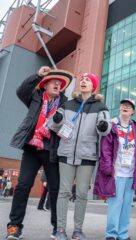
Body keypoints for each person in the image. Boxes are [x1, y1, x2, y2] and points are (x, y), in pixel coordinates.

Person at [5, 67, 72, 240]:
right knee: (22, 185)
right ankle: (14, 226)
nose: (58, 84)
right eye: (54, 82)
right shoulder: (35, 97)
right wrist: (37, 75)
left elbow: (69, 127)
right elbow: (21, 91)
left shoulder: (65, 104)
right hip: (32, 147)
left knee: (56, 189)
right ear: (45, 85)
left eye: (60, 83)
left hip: (52, 149)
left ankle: (58, 228)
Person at [48, 73, 111, 240]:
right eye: (82, 79)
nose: (83, 81)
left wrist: (103, 125)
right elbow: (53, 125)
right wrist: (57, 118)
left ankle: (78, 230)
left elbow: (105, 128)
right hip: (66, 153)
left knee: (82, 193)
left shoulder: (100, 107)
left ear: (94, 86)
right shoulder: (67, 104)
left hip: (87, 155)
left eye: (88, 80)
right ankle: (60, 229)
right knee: (64, 192)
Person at [94, 99, 136, 240]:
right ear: (120, 108)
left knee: (126, 206)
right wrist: (108, 168)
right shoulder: (112, 125)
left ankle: (123, 234)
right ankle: (111, 234)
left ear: (133, 111)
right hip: (116, 172)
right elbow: (106, 149)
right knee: (115, 205)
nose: (125, 107)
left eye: (129, 106)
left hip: (131, 173)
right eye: (123, 105)